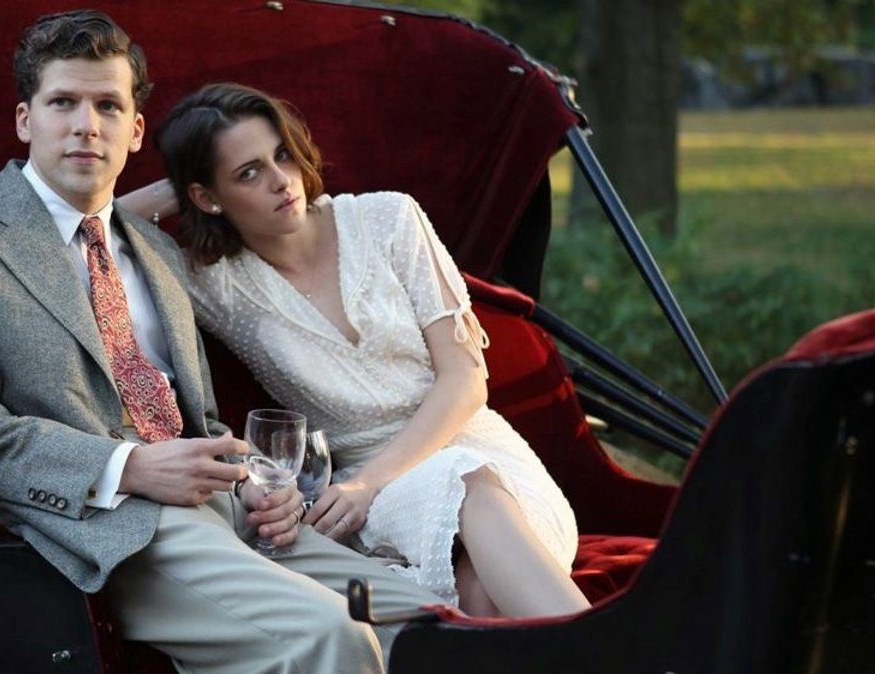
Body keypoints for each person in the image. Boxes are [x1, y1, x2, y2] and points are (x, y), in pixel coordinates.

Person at [0, 12, 442, 674]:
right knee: (330, 634)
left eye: (108, 106)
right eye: (63, 103)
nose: (86, 125)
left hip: (224, 506)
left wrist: (255, 482)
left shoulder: (156, 248)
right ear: (25, 120)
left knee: (429, 622)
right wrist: (127, 467)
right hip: (101, 523)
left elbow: (196, 420)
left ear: (135, 130)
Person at [148, 82, 591, 618]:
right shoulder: (214, 285)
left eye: (282, 154)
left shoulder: (389, 219)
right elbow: (87, 233)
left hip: (471, 451)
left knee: (478, 559)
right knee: (471, 527)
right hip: (378, 493)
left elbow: (466, 380)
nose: (281, 180)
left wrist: (365, 485)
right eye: (249, 173)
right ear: (206, 197)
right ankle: (611, 650)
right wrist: (177, 189)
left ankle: (605, 653)